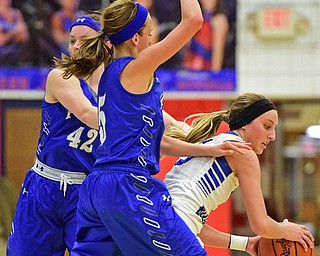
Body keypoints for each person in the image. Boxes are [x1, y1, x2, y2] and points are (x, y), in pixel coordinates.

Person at [54, 0, 218, 254]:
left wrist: (204, 149)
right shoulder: (137, 67)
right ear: (134, 38)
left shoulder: (107, 72)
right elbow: (194, 20)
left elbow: (153, 137)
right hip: (127, 186)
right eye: (149, 34)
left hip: (96, 188)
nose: (152, 40)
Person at [164, 93, 315, 255]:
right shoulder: (243, 152)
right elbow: (261, 225)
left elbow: (194, 225)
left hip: (154, 218)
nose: (272, 136)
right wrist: (284, 230)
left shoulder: (210, 143)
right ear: (245, 123)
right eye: (267, 126)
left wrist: (246, 244)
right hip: (173, 226)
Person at [6, 14, 103, 256]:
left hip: (85, 190)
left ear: (104, 44)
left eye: (85, 40)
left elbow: (155, 116)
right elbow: (86, 112)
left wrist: (187, 134)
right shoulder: (61, 76)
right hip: (45, 185)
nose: (76, 46)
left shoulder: (115, 85)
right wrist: (130, 116)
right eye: (72, 41)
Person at [183, 0, 229, 71]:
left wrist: (214, 76)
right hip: (189, 68)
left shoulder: (219, 20)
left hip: (207, 70)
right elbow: (186, 46)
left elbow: (218, 52)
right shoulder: (194, 18)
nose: (208, 1)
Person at [0, 0, 30, 66]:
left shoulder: (16, 13)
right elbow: (1, 41)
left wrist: (6, 33)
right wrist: (14, 33)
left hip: (15, 48)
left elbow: (24, 35)